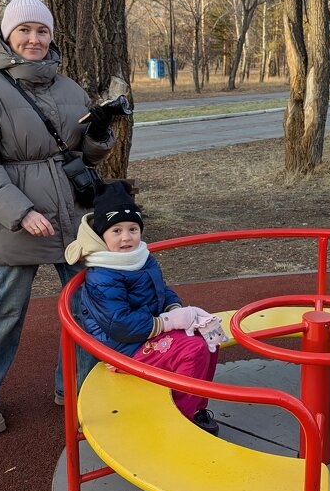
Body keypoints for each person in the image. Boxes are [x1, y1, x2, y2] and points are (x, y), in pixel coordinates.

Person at [0, 0, 115, 437]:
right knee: (3, 309)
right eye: (24, 30)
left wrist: (100, 134)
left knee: (87, 307)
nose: (34, 39)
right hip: (16, 220)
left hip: (72, 216)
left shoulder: (69, 87)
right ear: (7, 35)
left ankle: (79, 387)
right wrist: (20, 212)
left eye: (42, 30)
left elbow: (86, 155)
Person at [64, 181, 225, 435]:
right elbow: (120, 324)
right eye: (116, 230)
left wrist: (174, 307)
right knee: (193, 350)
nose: (126, 237)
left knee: (208, 337)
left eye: (132, 228)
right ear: (101, 235)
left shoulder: (140, 257)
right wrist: (170, 322)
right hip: (123, 346)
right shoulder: (103, 274)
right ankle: (178, 422)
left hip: (145, 331)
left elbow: (161, 289)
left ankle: (194, 408)